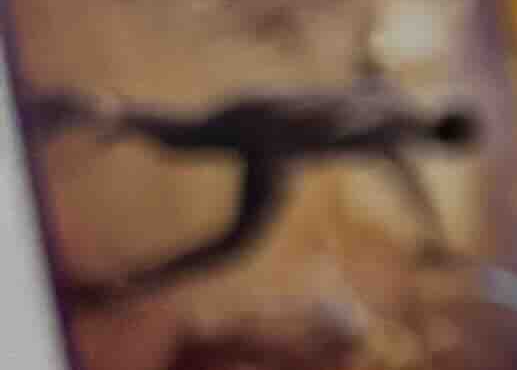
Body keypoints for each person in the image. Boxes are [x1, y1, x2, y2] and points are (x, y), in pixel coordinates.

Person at [18, 78, 482, 304]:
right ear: (442, 143)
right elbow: (395, 166)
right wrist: (436, 238)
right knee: (237, 243)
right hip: (272, 140)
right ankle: (127, 286)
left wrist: (433, 230)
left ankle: (88, 108)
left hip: (260, 105)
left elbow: (400, 168)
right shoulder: (396, 130)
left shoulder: (393, 96)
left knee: (180, 138)